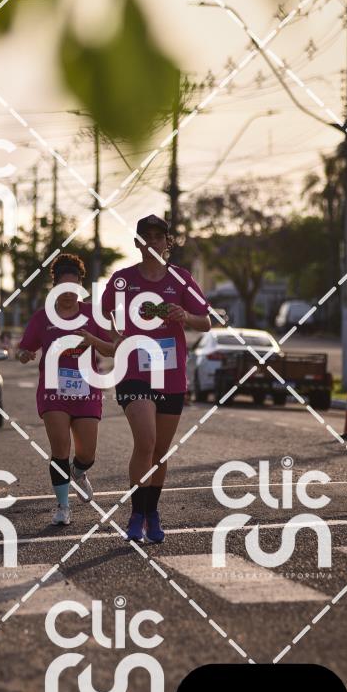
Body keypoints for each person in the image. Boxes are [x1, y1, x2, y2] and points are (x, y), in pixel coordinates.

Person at [101, 215, 211, 544]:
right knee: (146, 441)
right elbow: (103, 312)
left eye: (158, 236)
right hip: (134, 370)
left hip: (169, 373)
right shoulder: (123, 280)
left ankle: (152, 512)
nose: (152, 242)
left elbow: (205, 322)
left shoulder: (181, 278)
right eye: (145, 236)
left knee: (160, 451)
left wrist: (185, 316)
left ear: (167, 242)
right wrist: (115, 336)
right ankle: (136, 514)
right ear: (137, 243)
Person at [16, 254, 112, 526]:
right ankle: (63, 506)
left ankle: (78, 472)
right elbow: (24, 349)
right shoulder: (42, 317)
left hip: (86, 390)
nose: (69, 294)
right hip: (53, 391)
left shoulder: (92, 314)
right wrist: (25, 354)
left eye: (74, 288)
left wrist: (91, 339)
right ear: (55, 286)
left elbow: (112, 348)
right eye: (63, 288)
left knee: (87, 454)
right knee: (60, 448)